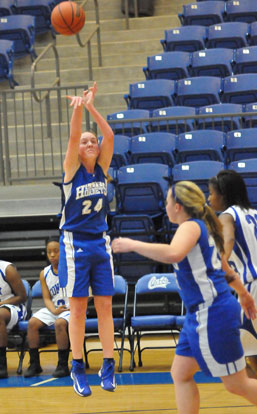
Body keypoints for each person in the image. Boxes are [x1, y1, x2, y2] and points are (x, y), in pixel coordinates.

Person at [112, 180, 257, 414]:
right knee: (180, 373)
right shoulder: (202, 227)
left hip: (212, 313)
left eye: (167, 201)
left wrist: (132, 244)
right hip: (199, 314)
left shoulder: (190, 227)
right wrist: (243, 294)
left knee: (236, 384)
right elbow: (224, 269)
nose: (165, 205)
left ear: (178, 206)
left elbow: (173, 253)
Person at [58, 82, 116, 397]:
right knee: (78, 308)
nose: (90, 142)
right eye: (85, 141)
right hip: (74, 243)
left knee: (105, 304)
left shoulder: (102, 168)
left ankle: (108, 365)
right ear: (77, 150)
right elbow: (72, 136)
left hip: (100, 242)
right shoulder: (71, 169)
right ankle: (77, 367)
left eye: (92, 140)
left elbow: (110, 136)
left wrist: (93, 106)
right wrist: (79, 108)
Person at [208, 169, 257, 378]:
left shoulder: (228, 215)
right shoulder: (254, 213)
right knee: (252, 353)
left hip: (252, 288)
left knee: (227, 347)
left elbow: (227, 239)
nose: (209, 198)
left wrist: (221, 261)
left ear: (223, 194)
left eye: (211, 193)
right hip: (249, 287)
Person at [24, 236, 70, 378]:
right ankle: (34, 364)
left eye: (55, 251)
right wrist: (54, 310)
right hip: (54, 308)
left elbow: (89, 293)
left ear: (63, 251)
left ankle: (62, 365)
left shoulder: (73, 268)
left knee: (60, 323)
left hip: (71, 308)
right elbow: (46, 298)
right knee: (32, 323)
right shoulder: (44, 273)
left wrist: (78, 306)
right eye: (49, 251)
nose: (52, 255)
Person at [0, 260, 27, 379]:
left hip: (13, 306)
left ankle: (1, 366)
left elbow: (22, 296)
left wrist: (1, 303)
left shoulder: (7, 269)